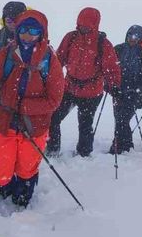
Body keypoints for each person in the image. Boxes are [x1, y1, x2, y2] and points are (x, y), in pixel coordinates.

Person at [0, 10, 64, 207]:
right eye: (24, 30)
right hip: (5, 123)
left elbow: (54, 99)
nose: (28, 35)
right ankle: (5, 186)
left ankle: (24, 190)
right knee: (0, 173)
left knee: (27, 168)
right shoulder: (7, 55)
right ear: (17, 31)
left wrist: (23, 107)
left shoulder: (49, 60)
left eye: (34, 31)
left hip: (34, 127)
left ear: (41, 33)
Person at [47, 8, 121, 157]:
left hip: (92, 92)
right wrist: (48, 75)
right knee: (53, 117)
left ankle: (83, 153)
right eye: (80, 25)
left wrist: (114, 85)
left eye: (87, 26)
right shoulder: (71, 38)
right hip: (69, 88)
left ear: (95, 25)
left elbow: (111, 67)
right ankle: (53, 149)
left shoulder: (103, 44)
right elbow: (58, 59)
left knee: (85, 124)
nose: (83, 28)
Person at [109, 25, 142, 154]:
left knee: (123, 119)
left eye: (135, 36)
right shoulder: (118, 49)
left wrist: (138, 89)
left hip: (134, 94)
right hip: (118, 91)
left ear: (140, 38)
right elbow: (109, 68)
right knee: (119, 118)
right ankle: (127, 144)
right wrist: (111, 86)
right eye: (130, 35)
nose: (132, 39)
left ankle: (117, 146)